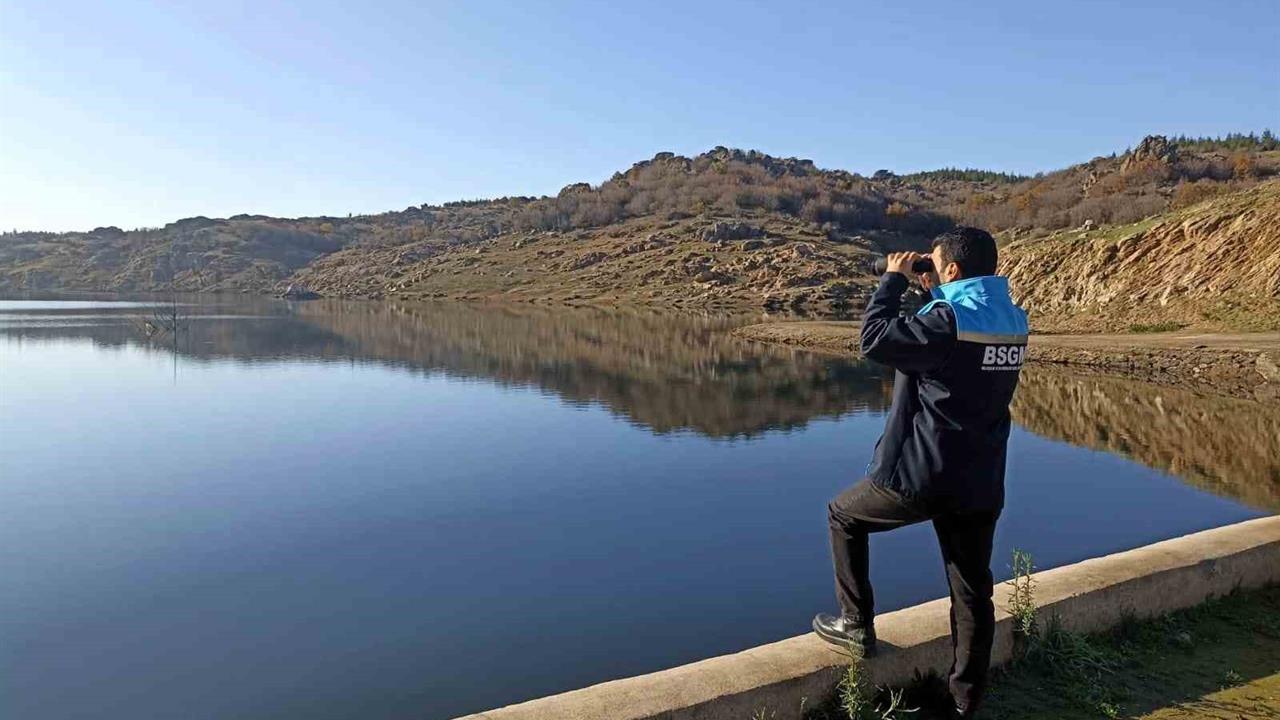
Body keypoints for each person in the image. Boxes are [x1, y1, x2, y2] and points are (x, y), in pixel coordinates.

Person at [812, 226, 1028, 718]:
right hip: (981, 479)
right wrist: (936, 292)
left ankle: (856, 626)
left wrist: (891, 280)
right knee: (973, 590)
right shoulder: (1012, 319)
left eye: (933, 263)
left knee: (843, 516)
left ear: (950, 269)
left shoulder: (943, 323)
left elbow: (874, 339)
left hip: (922, 476)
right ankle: (965, 699)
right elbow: (959, 356)